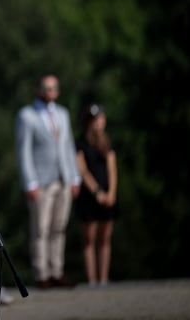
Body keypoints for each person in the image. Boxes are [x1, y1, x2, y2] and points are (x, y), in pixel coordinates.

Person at [15, 74, 80, 289]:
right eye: (45, 87)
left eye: (53, 88)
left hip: (63, 178)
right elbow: (23, 151)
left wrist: (74, 176)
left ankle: (57, 270)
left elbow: (68, 146)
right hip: (41, 181)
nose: (49, 92)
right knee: (40, 228)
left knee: (59, 227)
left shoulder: (63, 113)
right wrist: (30, 181)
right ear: (38, 90)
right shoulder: (27, 115)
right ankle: (41, 273)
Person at [75, 103, 118, 286]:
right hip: (89, 196)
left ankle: (103, 278)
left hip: (108, 194)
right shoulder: (80, 143)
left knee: (105, 238)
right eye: (95, 120)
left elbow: (112, 169)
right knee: (89, 238)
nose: (99, 123)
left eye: (101, 119)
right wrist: (97, 192)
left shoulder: (107, 143)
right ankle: (92, 280)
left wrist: (111, 192)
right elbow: (82, 170)